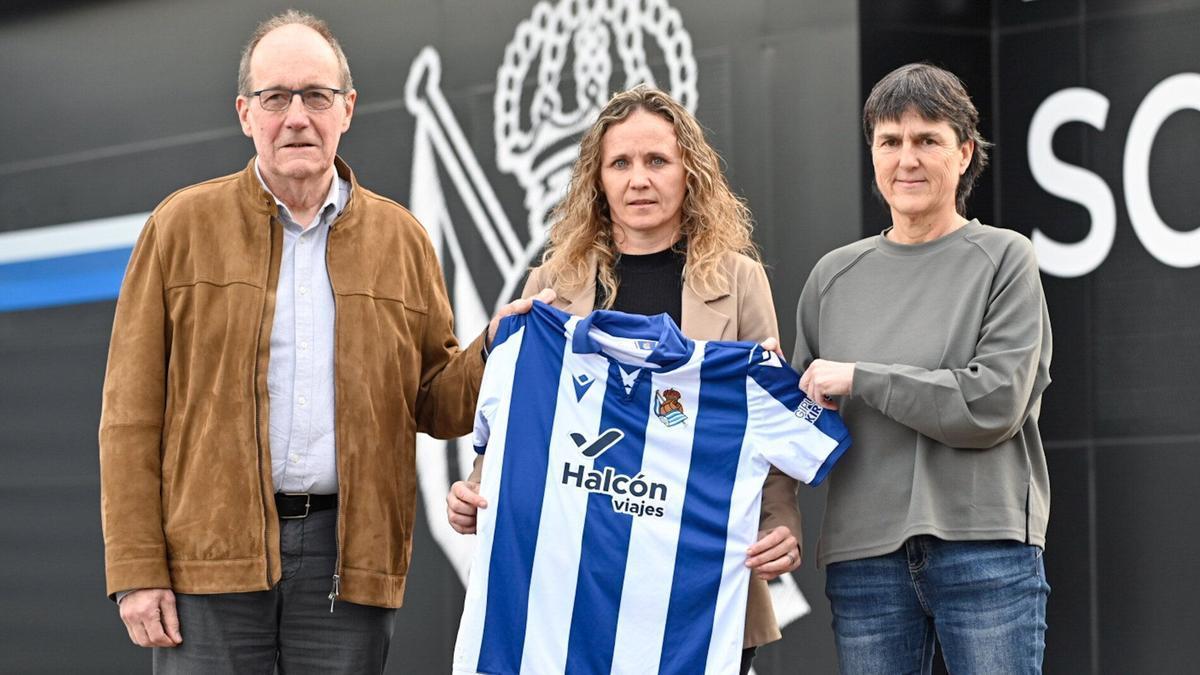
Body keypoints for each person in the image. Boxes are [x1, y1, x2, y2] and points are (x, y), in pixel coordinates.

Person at [98, 10, 550, 672]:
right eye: (275, 97)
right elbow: (130, 415)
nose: (297, 116)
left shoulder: (402, 240)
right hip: (211, 559)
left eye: (316, 95)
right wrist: (137, 568)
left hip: (349, 561)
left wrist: (500, 345)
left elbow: (435, 401)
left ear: (348, 109)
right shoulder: (179, 228)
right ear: (245, 113)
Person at [445, 85, 803, 674]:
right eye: (621, 163)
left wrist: (781, 524)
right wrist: (478, 487)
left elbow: (766, 421)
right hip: (575, 589)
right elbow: (516, 415)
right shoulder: (552, 283)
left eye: (657, 160)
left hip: (696, 586)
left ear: (689, 173)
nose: (639, 179)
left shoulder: (740, 282)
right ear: (598, 180)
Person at [793, 62, 1052, 673]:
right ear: (873, 155)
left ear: (963, 153)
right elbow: (796, 419)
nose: (906, 159)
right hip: (863, 561)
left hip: (985, 551)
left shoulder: (1005, 258)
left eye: (927, 140)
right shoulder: (833, 275)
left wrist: (861, 378)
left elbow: (991, 406)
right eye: (890, 141)